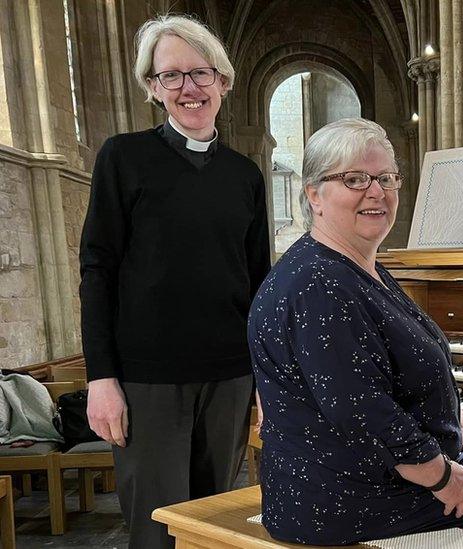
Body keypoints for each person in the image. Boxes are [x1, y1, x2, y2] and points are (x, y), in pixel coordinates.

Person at [247, 118, 463, 545]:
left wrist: (458, 428)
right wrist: (442, 476)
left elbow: (396, 374)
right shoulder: (319, 284)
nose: (376, 191)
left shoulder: (358, 266)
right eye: (354, 179)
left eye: (385, 178)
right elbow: (362, 410)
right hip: (339, 497)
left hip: (357, 476)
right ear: (314, 195)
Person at [79, 14, 270, 549]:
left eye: (201, 73)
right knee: (158, 530)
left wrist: (261, 379)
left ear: (223, 82)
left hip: (229, 379)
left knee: (212, 527)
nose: (188, 87)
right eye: (171, 76)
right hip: (147, 382)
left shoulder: (245, 175)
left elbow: (258, 283)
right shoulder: (124, 157)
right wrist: (101, 378)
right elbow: (97, 269)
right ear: (152, 88)